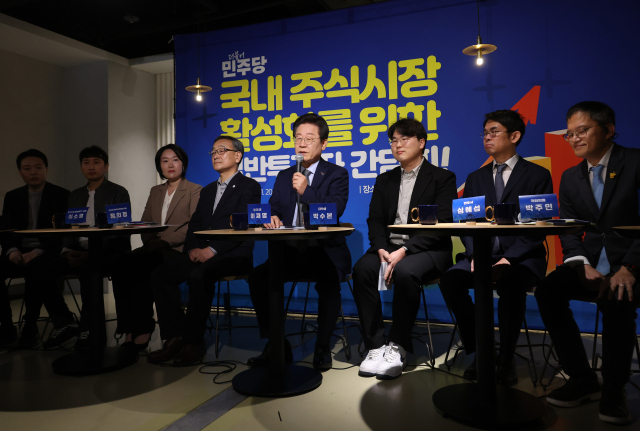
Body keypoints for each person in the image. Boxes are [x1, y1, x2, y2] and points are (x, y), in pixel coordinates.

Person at [535, 101, 639, 425]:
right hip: (591, 263)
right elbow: (569, 229)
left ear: (608, 130)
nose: (575, 138)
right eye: (569, 134)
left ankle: (614, 389)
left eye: (582, 130)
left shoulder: (635, 162)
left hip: (632, 264)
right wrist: (579, 262)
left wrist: (630, 267)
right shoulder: (570, 177)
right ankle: (582, 378)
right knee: (548, 290)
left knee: (617, 297)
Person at [438, 109, 552, 386]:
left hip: (522, 257)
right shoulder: (475, 177)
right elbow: (466, 223)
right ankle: (482, 349)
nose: (487, 138)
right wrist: (475, 254)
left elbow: (539, 226)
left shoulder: (537, 174)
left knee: (511, 283)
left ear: (515, 136)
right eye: (485, 133)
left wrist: (508, 258)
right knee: (450, 280)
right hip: (481, 255)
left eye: (494, 132)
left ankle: (507, 357)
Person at [353, 118, 457, 379]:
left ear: (421, 143)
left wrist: (406, 250)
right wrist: (380, 248)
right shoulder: (385, 179)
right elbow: (375, 220)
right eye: (394, 140)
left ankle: (398, 345)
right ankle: (375, 345)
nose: (397, 145)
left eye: (404, 139)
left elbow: (442, 223)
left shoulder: (442, 178)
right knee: (363, 269)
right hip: (389, 247)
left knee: (405, 271)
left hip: (428, 248)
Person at [247, 112, 351, 370]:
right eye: (298, 138)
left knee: (329, 282)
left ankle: (322, 346)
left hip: (324, 251)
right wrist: (270, 217)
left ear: (323, 143)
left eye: (309, 139)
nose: (302, 144)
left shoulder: (337, 174)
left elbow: (335, 211)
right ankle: (276, 343)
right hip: (290, 253)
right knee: (259, 277)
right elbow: (273, 209)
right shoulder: (284, 175)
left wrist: (307, 190)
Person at [147, 135, 260, 366]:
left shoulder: (249, 186)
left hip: (234, 254)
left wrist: (212, 250)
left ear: (237, 156)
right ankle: (175, 337)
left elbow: (244, 226)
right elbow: (195, 225)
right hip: (201, 252)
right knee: (161, 274)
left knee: (198, 275)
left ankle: (193, 342)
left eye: (222, 150)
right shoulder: (207, 190)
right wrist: (192, 250)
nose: (216, 155)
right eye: (213, 152)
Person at [36, 146, 132, 350]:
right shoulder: (75, 195)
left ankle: (90, 329)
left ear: (106, 167)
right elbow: (69, 229)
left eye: (96, 162)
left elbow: (120, 232)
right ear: (81, 167)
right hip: (77, 251)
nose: (91, 167)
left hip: (109, 254)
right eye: (86, 163)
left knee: (90, 271)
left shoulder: (118, 192)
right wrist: (67, 251)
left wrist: (91, 254)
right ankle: (66, 323)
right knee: (41, 270)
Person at [110, 144, 201, 352]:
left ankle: (146, 329)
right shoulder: (156, 191)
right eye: (164, 160)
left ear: (184, 164)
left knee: (147, 267)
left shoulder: (194, 190)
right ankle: (130, 327)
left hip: (177, 249)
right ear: (159, 166)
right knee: (121, 264)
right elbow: (145, 222)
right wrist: (150, 240)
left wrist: (165, 241)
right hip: (154, 247)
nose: (170, 164)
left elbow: (193, 226)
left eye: (175, 159)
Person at [0, 150, 70, 347]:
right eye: (27, 168)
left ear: (46, 169)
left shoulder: (62, 195)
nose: (33, 172)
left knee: (36, 269)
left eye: (38, 167)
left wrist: (37, 251)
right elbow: (5, 229)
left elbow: (63, 232)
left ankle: (30, 326)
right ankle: (6, 327)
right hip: (18, 250)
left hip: (47, 251)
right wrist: (12, 250)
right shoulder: (12, 196)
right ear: (20, 172)